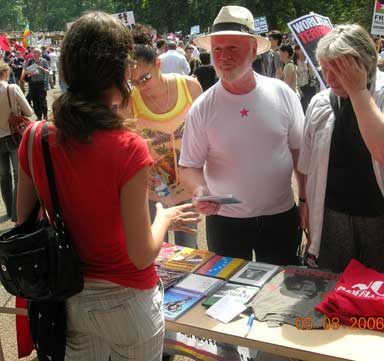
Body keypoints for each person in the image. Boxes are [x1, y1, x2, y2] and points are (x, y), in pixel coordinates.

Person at [17, 12, 200, 361]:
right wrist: (163, 217)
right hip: (128, 303)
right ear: (119, 73)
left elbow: (24, 220)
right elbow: (142, 253)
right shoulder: (127, 146)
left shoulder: (35, 138)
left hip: (66, 300)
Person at [179, 5, 305, 265]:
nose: (223, 56)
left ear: (252, 49)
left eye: (232, 48)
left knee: (280, 300)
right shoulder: (202, 107)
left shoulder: (282, 94)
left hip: (281, 218)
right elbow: (189, 166)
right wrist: (200, 189)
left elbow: (300, 154)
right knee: (229, 298)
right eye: (217, 49)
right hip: (226, 223)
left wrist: (305, 201)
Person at [298, 24, 384, 274]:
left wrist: (357, 91)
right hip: (332, 220)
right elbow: (307, 167)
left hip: (383, 223)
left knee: (382, 298)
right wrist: (307, 209)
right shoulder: (320, 101)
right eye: (325, 68)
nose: (330, 78)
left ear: (365, 65)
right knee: (334, 295)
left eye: (340, 69)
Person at [129, 35, 202, 249]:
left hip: (188, 184)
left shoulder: (190, 87)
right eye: (134, 82)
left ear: (158, 64)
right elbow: (127, 144)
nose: (141, 86)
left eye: (145, 78)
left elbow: (206, 132)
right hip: (152, 189)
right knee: (157, 249)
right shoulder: (131, 100)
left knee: (188, 250)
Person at [0, 61, 33, 221]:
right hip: (13, 136)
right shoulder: (11, 88)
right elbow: (29, 111)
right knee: (17, 176)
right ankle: (15, 213)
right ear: (5, 73)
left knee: (3, 176)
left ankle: (8, 210)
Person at [24, 47, 49, 120]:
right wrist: (30, 73)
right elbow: (25, 71)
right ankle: (38, 116)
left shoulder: (44, 61)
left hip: (41, 83)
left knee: (42, 99)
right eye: (33, 52)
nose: (34, 54)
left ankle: (45, 114)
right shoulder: (29, 61)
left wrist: (42, 69)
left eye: (36, 52)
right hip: (32, 83)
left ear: (40, 54)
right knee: (34, 100)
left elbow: (48, 72)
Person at [294, 45, 316, 112]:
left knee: (312, 106)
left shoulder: (307, 60)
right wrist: (298, 89)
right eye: (298, 49)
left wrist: (310, 68)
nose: (300, 51)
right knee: (303, 108)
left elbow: (312, 74)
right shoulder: (295, 62)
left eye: (300, 49)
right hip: (301, 87)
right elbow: (295, 77)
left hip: (309, 85)